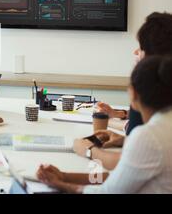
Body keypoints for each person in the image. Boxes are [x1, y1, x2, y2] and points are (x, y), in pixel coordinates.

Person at [37, 55, 172, 194]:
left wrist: (60, 184)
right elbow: (121, 178)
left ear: (133, 94)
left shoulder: (148, 136)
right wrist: (64, 176)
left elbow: (108, 191)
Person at [73, 12, 172, 170]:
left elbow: (128, 163)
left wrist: (88, 150)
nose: (135, 53)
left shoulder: (145, 90)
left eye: (141, 48)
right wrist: (124, 134)